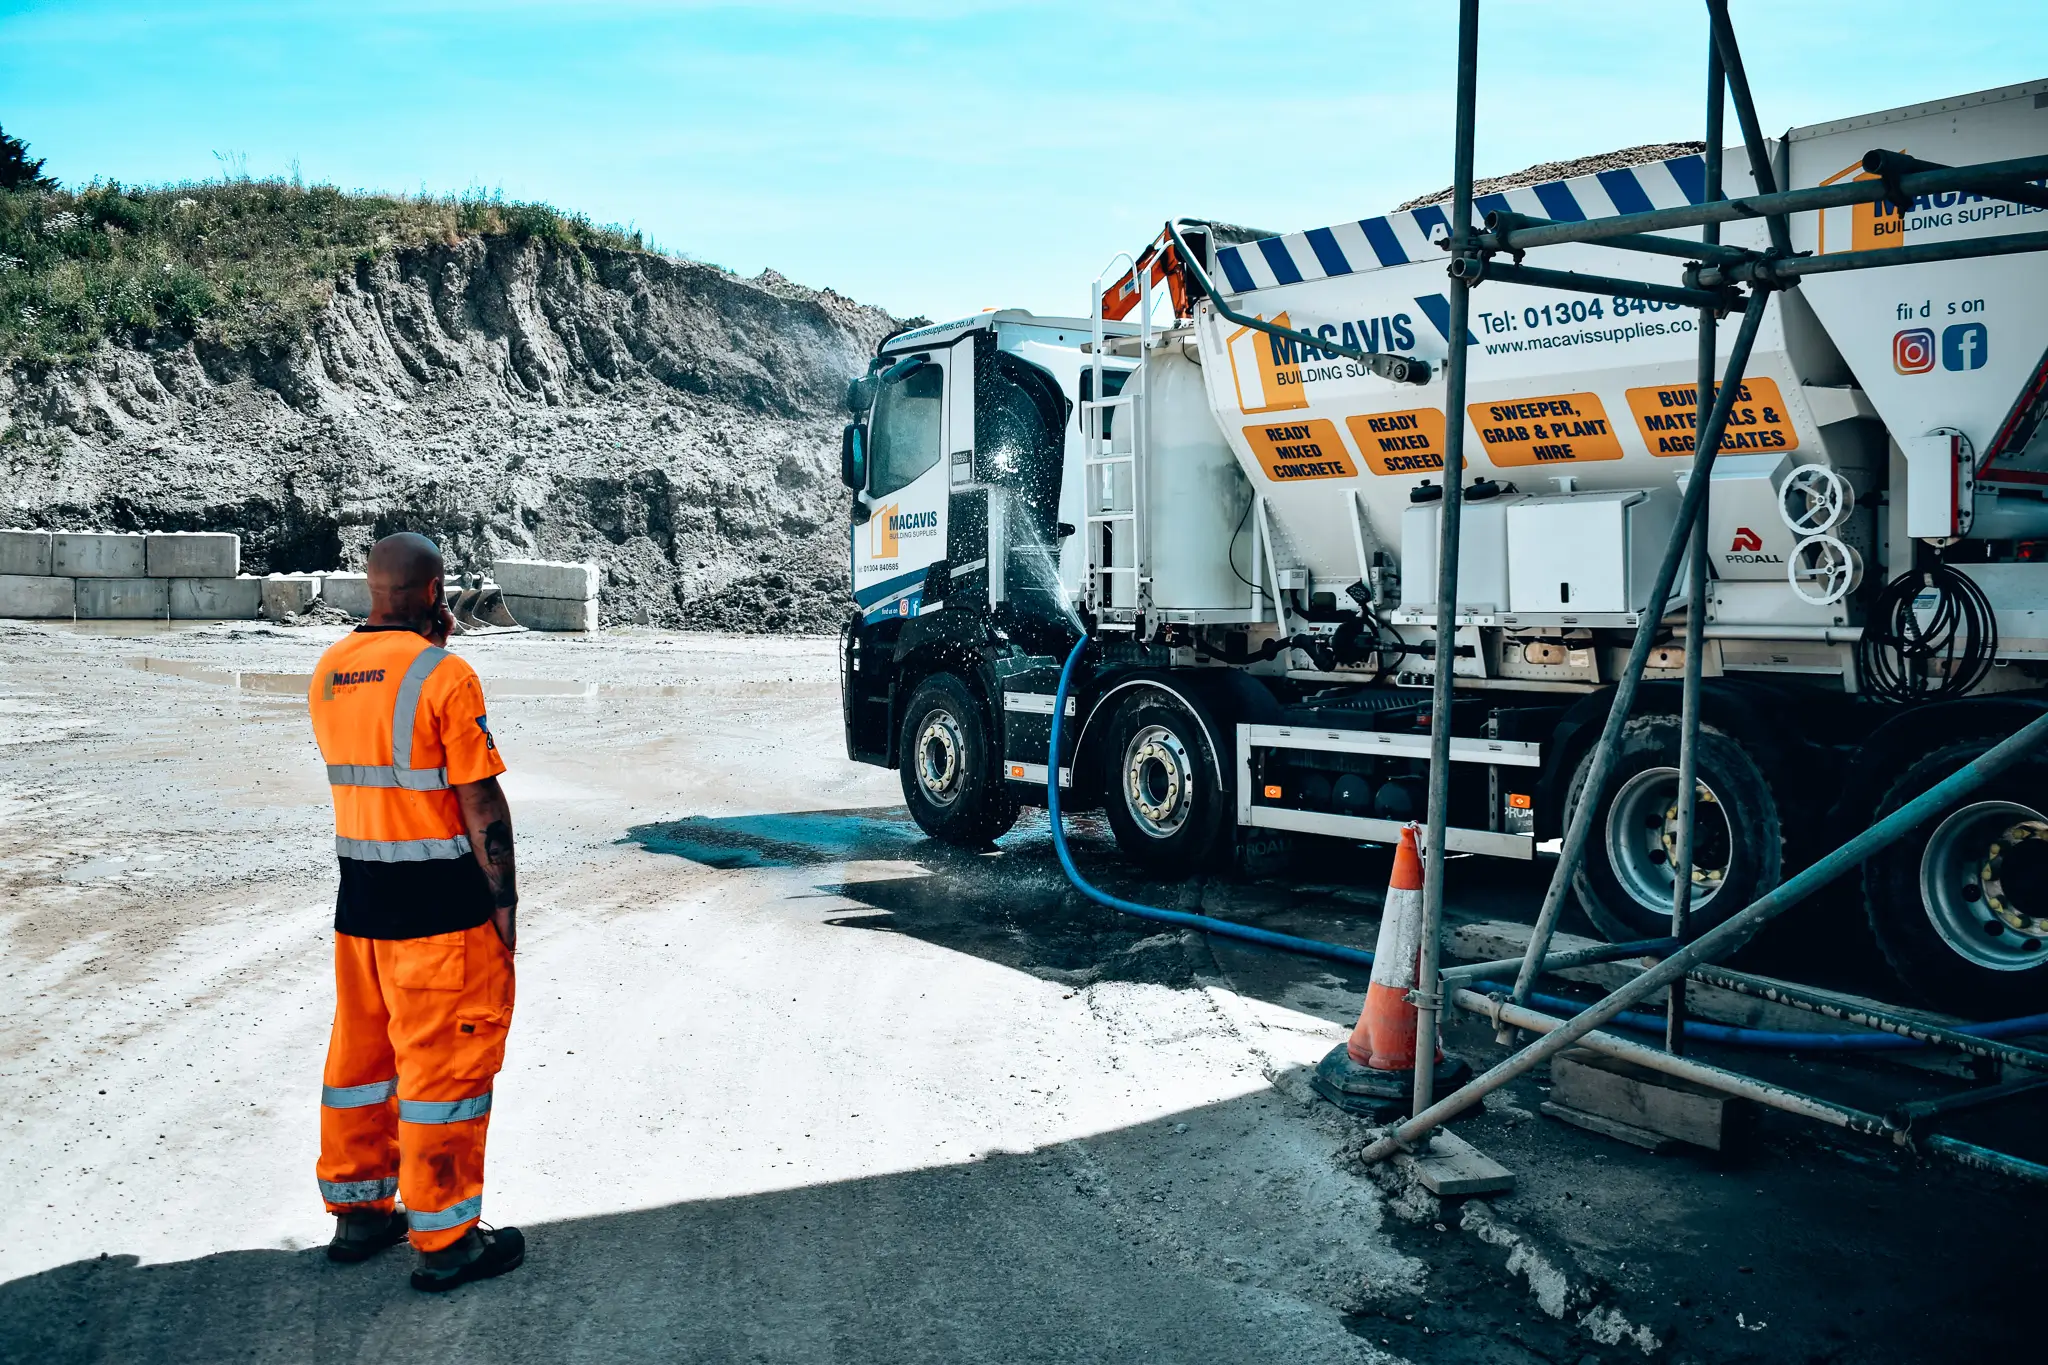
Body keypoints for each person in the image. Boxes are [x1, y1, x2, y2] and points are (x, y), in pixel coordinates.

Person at [306, 532, 524, 1291]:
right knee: (445, 1073)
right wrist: (506, 904)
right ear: (435, 594)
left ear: (373, 590)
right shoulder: (445, 675)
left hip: (360, 907)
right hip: (441, 915)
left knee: (362, 1063)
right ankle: (446, 1241)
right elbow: (479, 800)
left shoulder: (330, 670)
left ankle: (361, 1215)